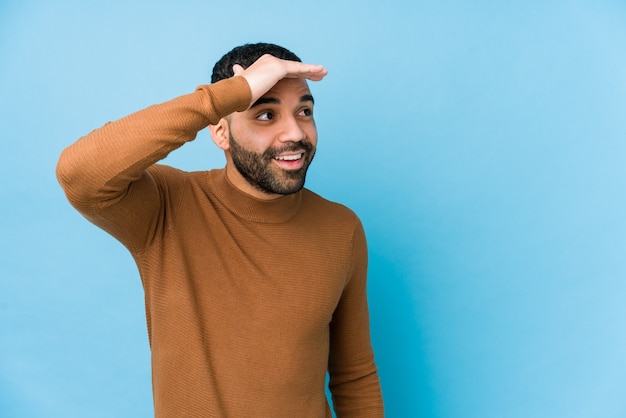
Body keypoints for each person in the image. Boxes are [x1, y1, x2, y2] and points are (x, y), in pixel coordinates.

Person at [56, 42, 384, 417]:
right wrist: (232, 94)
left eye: (304, 111)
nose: (295, 133)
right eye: (265, 114)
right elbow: (79, 175)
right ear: (221, 133)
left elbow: (354, 376)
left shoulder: (341, 228)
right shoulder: (165, 206)